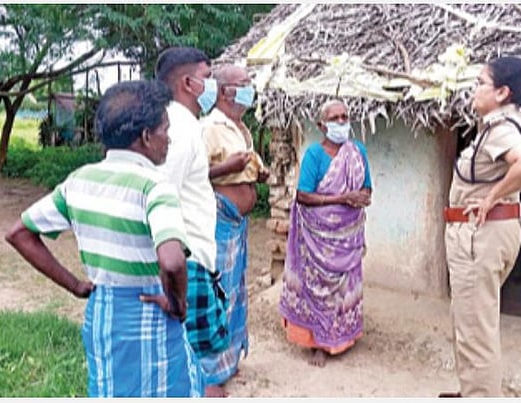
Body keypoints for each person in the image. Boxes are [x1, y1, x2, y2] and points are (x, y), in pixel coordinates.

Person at [5, 80, 202, 397]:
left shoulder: (78, 181)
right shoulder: (155, 187)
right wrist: (178, 304)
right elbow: (172, 261)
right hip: (149, 312)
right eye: (165, 129)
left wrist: (75, 285)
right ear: (146, 137)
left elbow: (19, 233)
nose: (169, 138)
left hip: (102, 316)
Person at [441, 56, 521, 397]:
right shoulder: (513, 124)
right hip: (492, 234)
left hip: (479, 237)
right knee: (475, 322)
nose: (473, 90)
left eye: (480, 83)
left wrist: (490, 197)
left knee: (475, 333)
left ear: (502, 92)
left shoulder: (500, 129)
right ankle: (473, 390)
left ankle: (480, 396)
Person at [155, 47, 230, 394]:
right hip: (187, 261)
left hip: (193, 258)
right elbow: (161, 198)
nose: (214, 85)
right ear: (188, 83)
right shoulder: (179, 132)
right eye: (208, 77)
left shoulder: (187, 126)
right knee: (200, 370)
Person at [279, 99, 373, 368]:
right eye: (335, 118)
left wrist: (361, 197)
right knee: (317, 288)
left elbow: (367, 188)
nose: (341, 122)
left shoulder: (357, 152)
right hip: (317, 237)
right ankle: (318, 343)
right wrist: (343, 198)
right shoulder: (314, 155)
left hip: (348, 234)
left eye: (345, 116)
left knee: (344, 289)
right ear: (322, 125)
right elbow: (303, 196)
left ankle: (342, 338)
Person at [199, 64, 270, 397]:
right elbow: (192, 174)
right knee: (217, 294)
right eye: (243, 83)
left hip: (237, 223)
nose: (249, 88)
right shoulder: (209, 128)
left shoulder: (240, 127)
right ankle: (209, 376)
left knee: (236, 290)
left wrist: (256, 174)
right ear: (225, 90)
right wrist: (228, 167)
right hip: (218, 218)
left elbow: (241, 169)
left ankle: (228, 361)